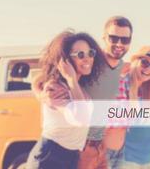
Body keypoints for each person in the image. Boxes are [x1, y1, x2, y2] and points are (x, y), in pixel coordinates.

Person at [33, 16, 133, 169]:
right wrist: (42, 94)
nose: (119, 44)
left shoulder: (116, 67)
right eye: (113, 38)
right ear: (104, 38)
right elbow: (40, 79)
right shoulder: (94, 63)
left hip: (98, 148)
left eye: (125, 40)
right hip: (76, 148)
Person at [27, 30, 105, 169]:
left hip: (71, 157)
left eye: (90, 53)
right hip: (50, 157)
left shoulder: (80, 89)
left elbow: (37, 79)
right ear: (66, 60)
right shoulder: (56, 88)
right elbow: (80, 118)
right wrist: (71, 79)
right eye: (80, 55)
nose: (87, 58)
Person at [114, 46, 150, 169]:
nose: (148, 69)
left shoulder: (149, 93)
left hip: (146, 160)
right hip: (125, 158)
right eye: (145, 62)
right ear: (136, 62)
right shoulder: (123, 83)